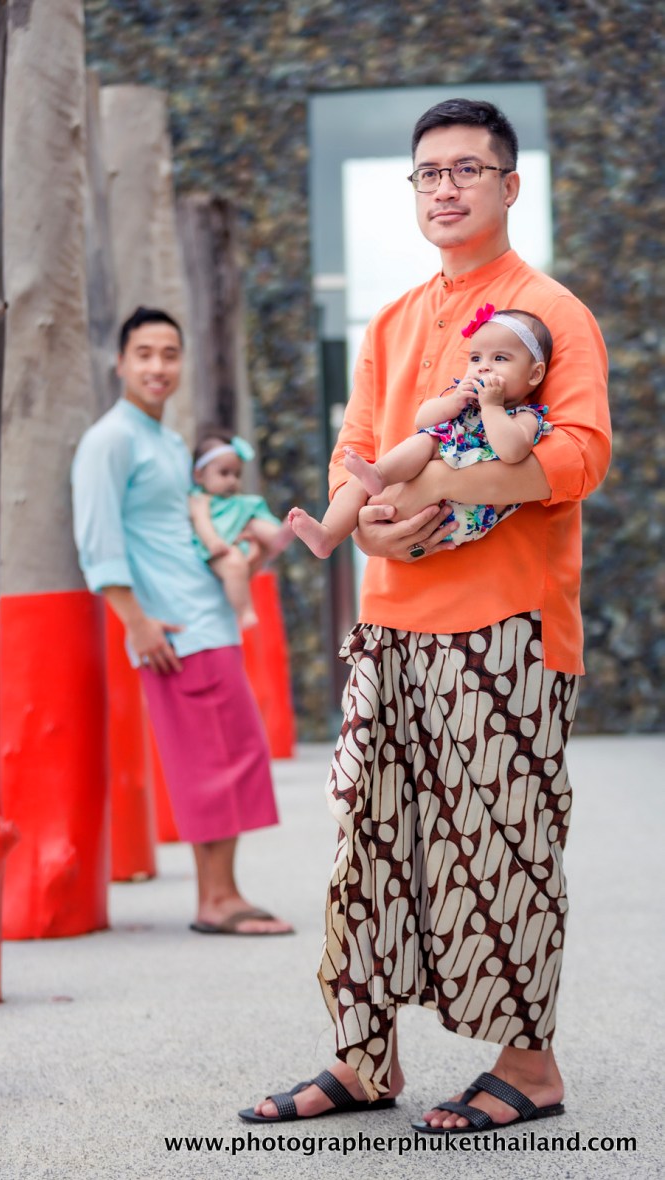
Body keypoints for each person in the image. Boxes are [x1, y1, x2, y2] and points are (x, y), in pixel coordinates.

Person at [241, 98, 610, 1129]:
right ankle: (365, 1059)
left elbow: (581, 454)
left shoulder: (550, 311)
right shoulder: (397, 319)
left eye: (466, 170)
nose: (444, 188)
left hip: (507, 625)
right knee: (368, 844)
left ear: (509, 186)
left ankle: (527, 1065)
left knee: (502, 846)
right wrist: (367, 530)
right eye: (428, 174)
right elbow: (354, 449)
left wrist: (448, 492)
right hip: (391, 618)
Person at [72, 306, 293, 937]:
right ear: (120, 363)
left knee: (233, 751)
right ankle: (216, 900)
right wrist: (135, 622)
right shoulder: (109, 440)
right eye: (143, 353)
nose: (157, 366)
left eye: (169, 353)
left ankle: (223, 893)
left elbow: (193, 529)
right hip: (173, 630)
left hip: (208, 618)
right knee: (210, 759)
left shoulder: (170, 443)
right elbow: (98, 539)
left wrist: (243, 555)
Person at [289, 306, 553, 556]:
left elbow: (512, 451)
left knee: (432, 442)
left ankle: (379, 482)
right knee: (413, 447)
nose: (483, 366)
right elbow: (422, 419)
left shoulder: (525, 417)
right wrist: (453, 402)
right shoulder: (464, 403)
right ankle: (328, 534)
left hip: (464, 510)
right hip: (409, 499)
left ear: (534, 374)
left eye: (500, 358)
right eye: (475, 358)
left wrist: (493, 407)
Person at [190, 428, 293, 629]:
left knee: (256, 522)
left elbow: (253, 520)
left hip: (242, 537)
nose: (232, 481)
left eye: (237, 474)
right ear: (199, 475)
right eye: (224, 473)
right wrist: (212, 541)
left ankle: (278, 536)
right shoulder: (200, 500)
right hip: (220, 549)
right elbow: (201, 522)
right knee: (234, 563)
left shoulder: (238, 502)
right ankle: (244, 611)